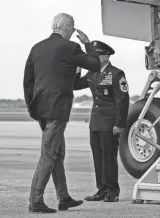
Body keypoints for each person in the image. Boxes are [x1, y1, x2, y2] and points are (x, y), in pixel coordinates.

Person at [23, 13, 101, 213]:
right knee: (49, 155)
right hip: (57, 109)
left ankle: (63, 197)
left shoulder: (37, 48)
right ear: (66, 27)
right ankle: (35, 200)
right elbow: (95, 64)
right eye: (72, 28)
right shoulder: (70, 47)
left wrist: (33, 109)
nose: (73, 32)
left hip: (41, 108)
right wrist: (87, 44)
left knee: (58, 153)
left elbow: (28, 82)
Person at [74, 40, 130, 202]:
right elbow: (75, 85)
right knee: (98, 157)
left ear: (105, 57)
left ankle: (113, 191)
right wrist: (78, 66)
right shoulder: (92, 73)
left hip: (110, 122)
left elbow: (122, 100)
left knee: (109, 157)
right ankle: (102, 189)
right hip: (96, 122)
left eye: (95, 56)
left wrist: (120, 124)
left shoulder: (116, 74)